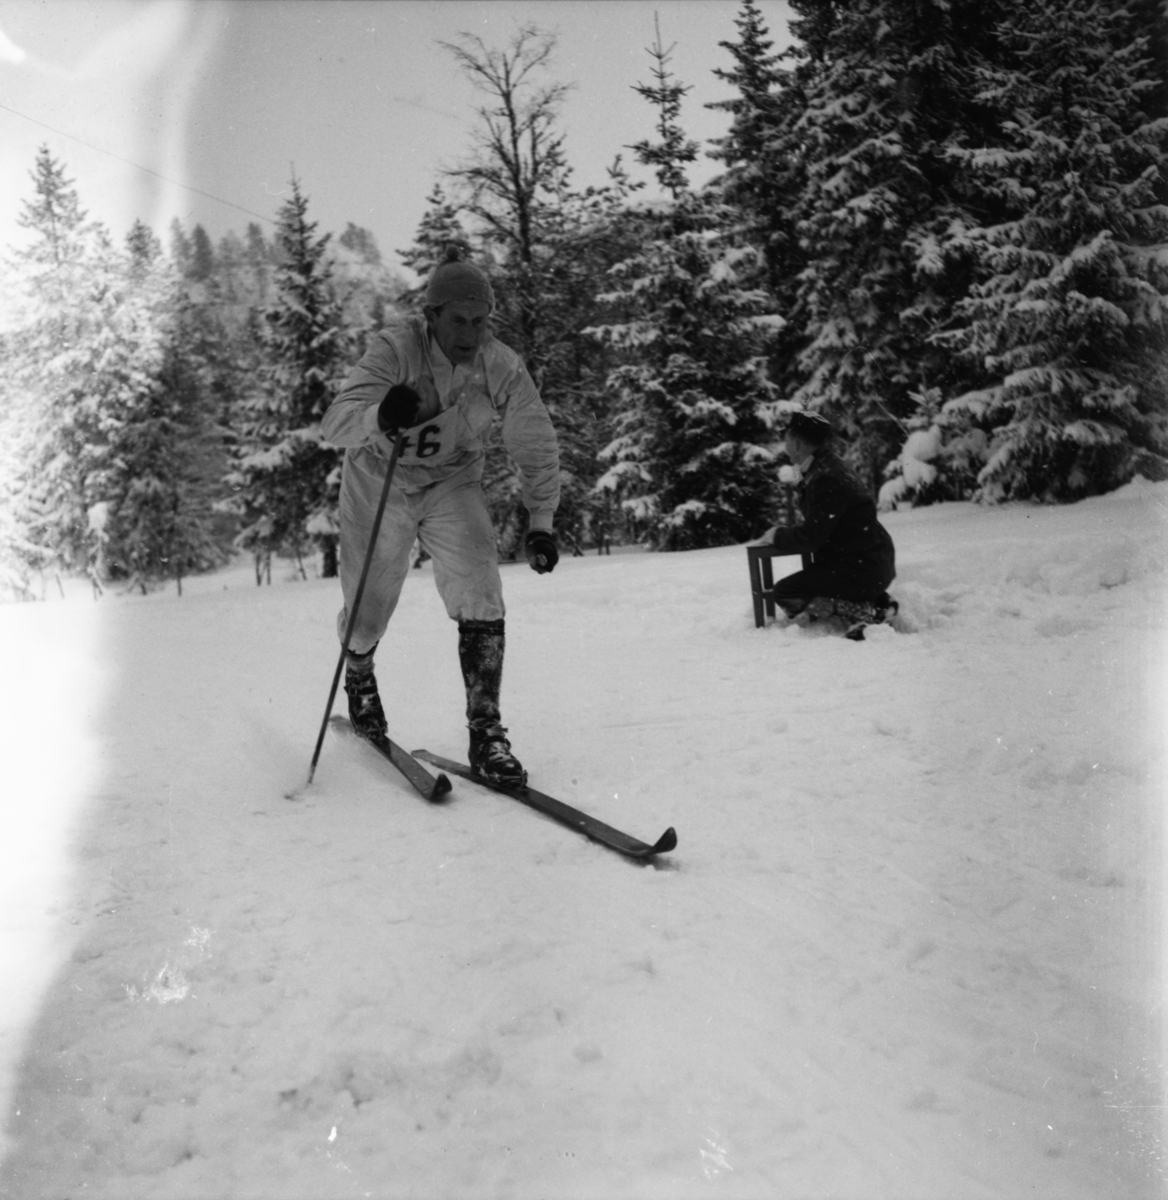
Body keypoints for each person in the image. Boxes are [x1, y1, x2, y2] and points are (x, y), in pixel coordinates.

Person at [321, 247, 560, 785]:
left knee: (480, 587)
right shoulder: (395, 350)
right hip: (380, 481)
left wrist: (541, 520)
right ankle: (359, 677)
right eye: (458, 320)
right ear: (431, 316)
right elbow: (334, 424)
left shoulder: (500, 365)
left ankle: (487, 732)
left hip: (452, 480)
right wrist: (379, 414)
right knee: (366, 614)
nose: (470, 333)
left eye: (480, 321)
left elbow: (534, 439)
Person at [758, 410, 896, 640]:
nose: (785, 447)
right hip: (870, 562)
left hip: (861, 568)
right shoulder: (828, 466)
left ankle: (862, 613)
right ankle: (879, 601)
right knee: (810, 579)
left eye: (787, 440)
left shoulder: (825, 477)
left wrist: (776, 535)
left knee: (786, 592)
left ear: (797, 443)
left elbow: (811, 537)